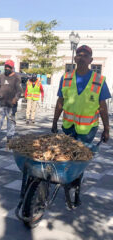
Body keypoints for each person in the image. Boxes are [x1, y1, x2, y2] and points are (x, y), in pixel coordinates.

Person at [51, 45, 111, 206]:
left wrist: (106, 129)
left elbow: (103, 107)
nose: (81, 57)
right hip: (68, 125)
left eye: (85, 55)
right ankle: (68, 180)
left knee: (80, 158)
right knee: (67, 154)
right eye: (79, 54)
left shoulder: (99, 80)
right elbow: (60, 101)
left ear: (91, 60)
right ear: (75, 58)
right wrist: (54, 122)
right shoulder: (66, 77)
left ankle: (76, 184)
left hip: (87, 129)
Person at [0, 60, 23, 144]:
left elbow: (19, 90)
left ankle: (10, 138)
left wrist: (15, 99)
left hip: (11, 104)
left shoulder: (16, 77)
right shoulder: (1, 76)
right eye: (6, 66)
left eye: (8, 67)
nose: (7, 68)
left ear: (12, 68)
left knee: (11, 121)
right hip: (1, 103)